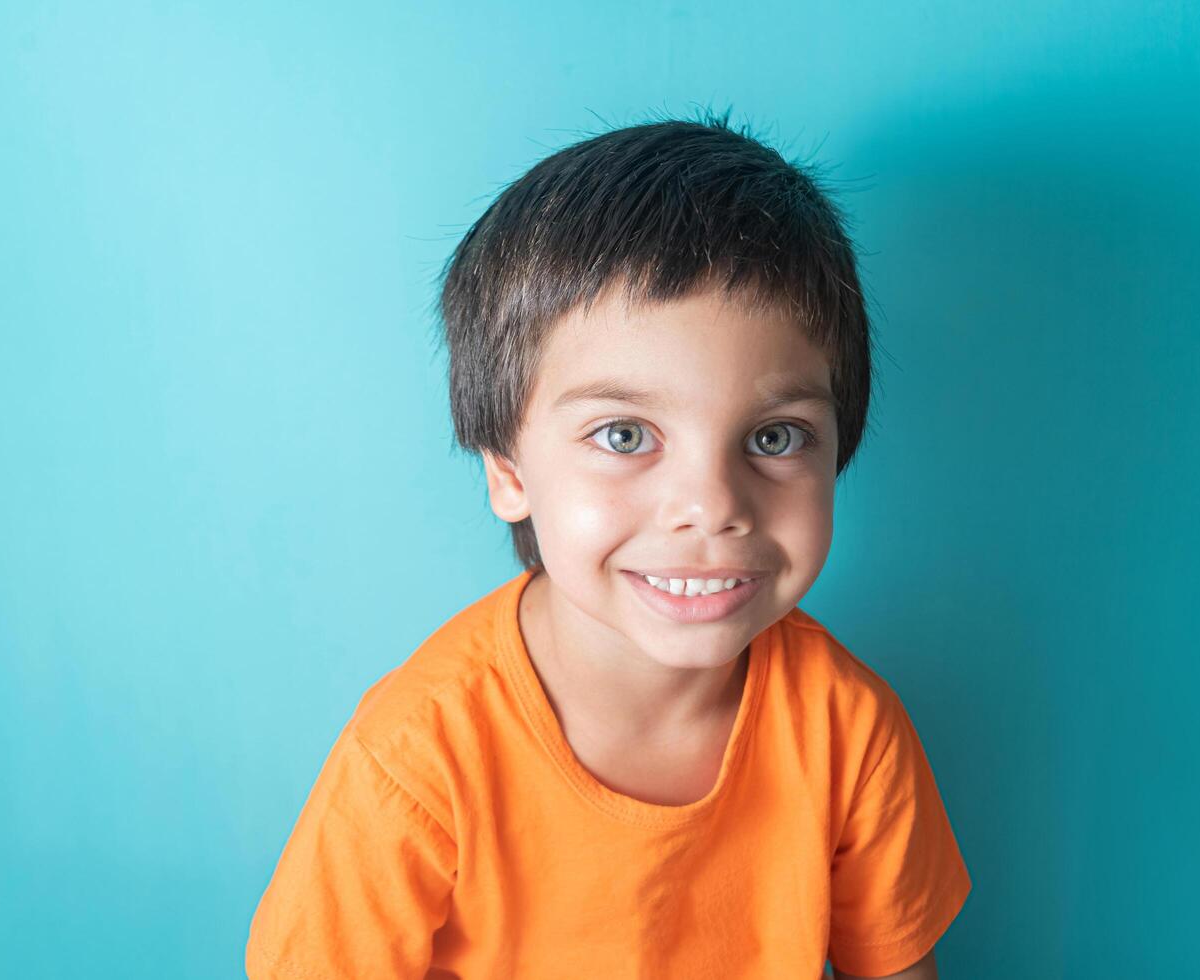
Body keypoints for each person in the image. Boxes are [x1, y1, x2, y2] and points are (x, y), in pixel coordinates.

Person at [245, 111, 971, 979]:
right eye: (625, 435)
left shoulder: (850, 729)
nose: (711, 507)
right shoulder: (416, 758)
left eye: (773, 438)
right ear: (508, 471)